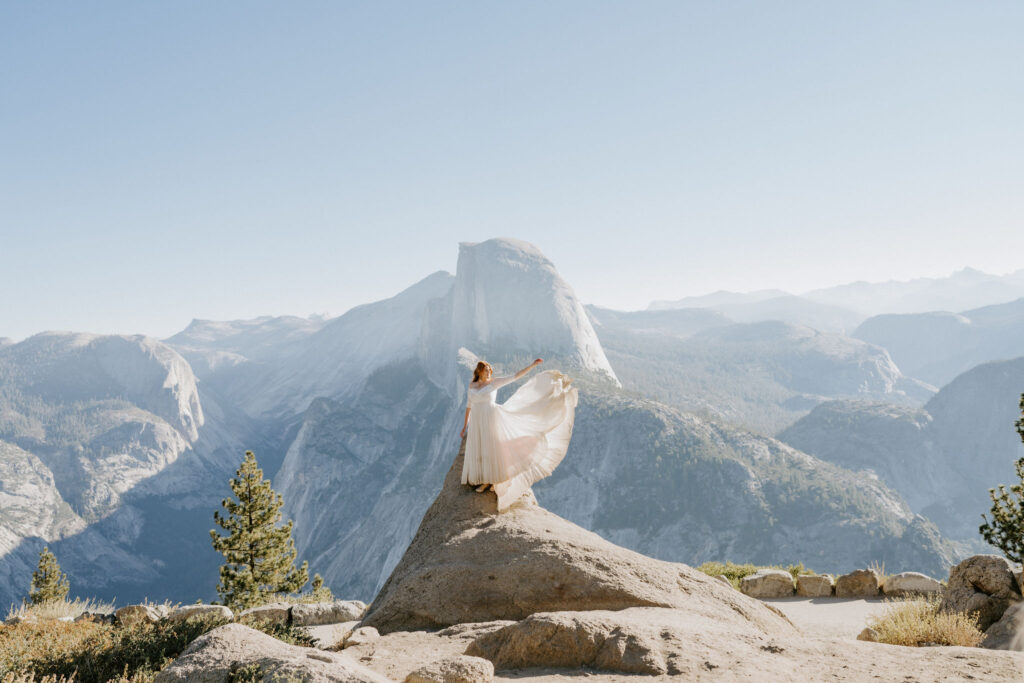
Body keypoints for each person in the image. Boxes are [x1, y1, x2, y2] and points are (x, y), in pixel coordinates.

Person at [460, 358, 578, 511]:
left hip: (491, 417)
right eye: (486, 370)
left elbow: (515, 376)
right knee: (481, 448)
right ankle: (484, 477)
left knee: (492, 447)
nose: (489, 372)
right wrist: (465, 425)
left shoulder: (494, 383)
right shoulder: (472, 385)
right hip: (477, 421)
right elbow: (469, 405)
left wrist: (532, 365)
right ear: (479, 371)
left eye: (490, 370)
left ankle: (489, 481)